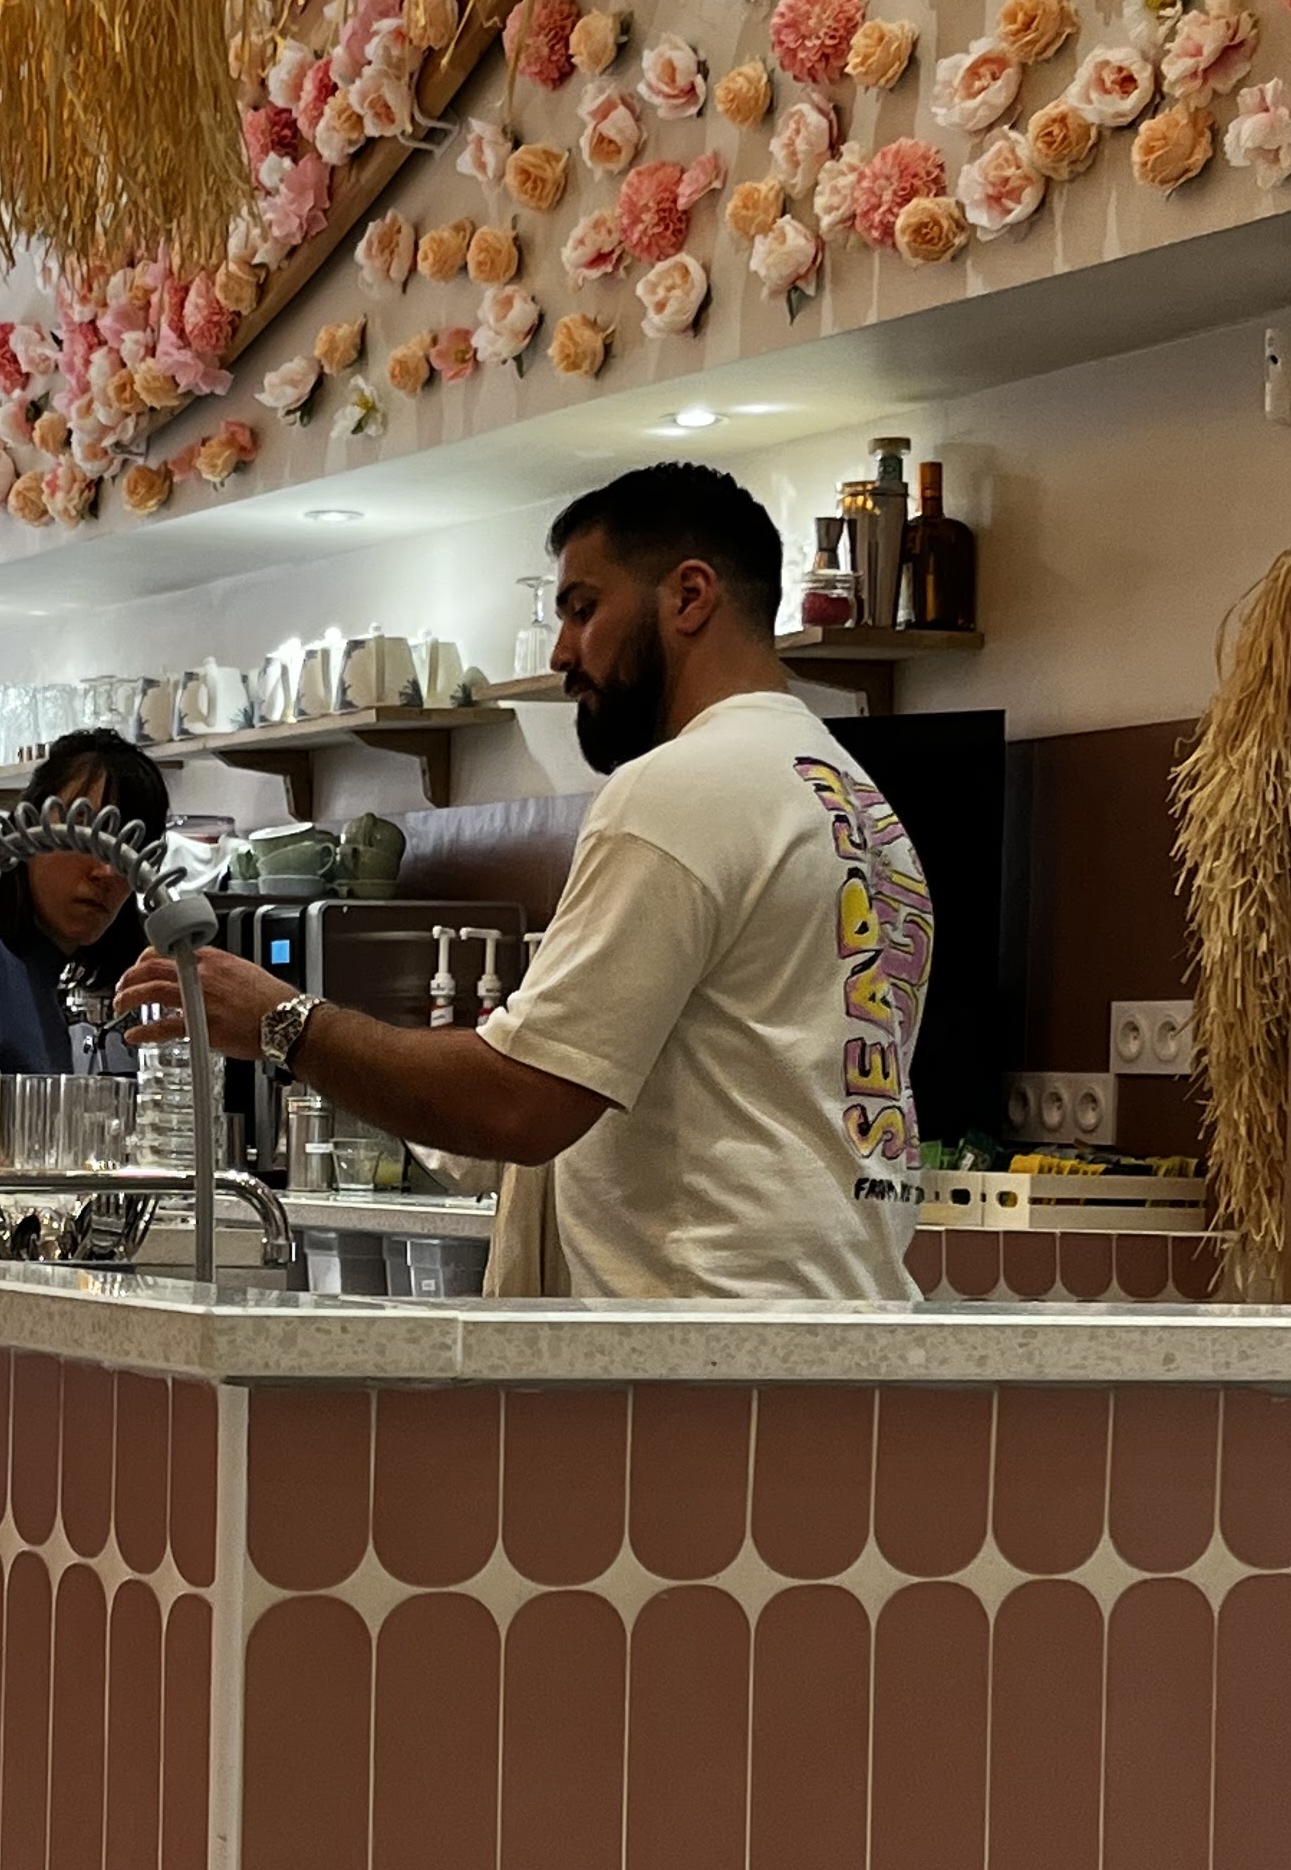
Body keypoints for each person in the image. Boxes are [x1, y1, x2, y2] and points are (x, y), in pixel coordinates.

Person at [118, 462, 935, 1304]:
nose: (561, 653)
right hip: (846, 1323)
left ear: (690, 597)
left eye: (584, 609)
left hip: (712, 1337)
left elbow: (517, 1105)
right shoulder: (862, 807)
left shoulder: (681, 789)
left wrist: (284, 1023)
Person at [0, 723, 169, 1076]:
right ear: (29, 831)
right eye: (85, 832)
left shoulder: (37, 984)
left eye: (131, 849)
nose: (108, 870)